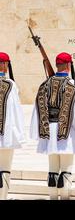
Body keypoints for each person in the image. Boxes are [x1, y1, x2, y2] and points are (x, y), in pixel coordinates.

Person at [30, 52, 75, 200]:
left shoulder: (44, 85)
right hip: (67, 133)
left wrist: (38, 133)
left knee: (52, 170)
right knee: (66, 169)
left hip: (49, 132)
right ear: (69, 66)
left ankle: (52, 197)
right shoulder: (72, 85)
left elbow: (37, 110)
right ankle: (64, 198)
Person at [0, 52, 25, 200]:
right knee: (4, 169)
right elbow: (16, 111)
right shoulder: (11, 85)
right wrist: (19, 134)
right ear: (5, 65)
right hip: (6, 135)